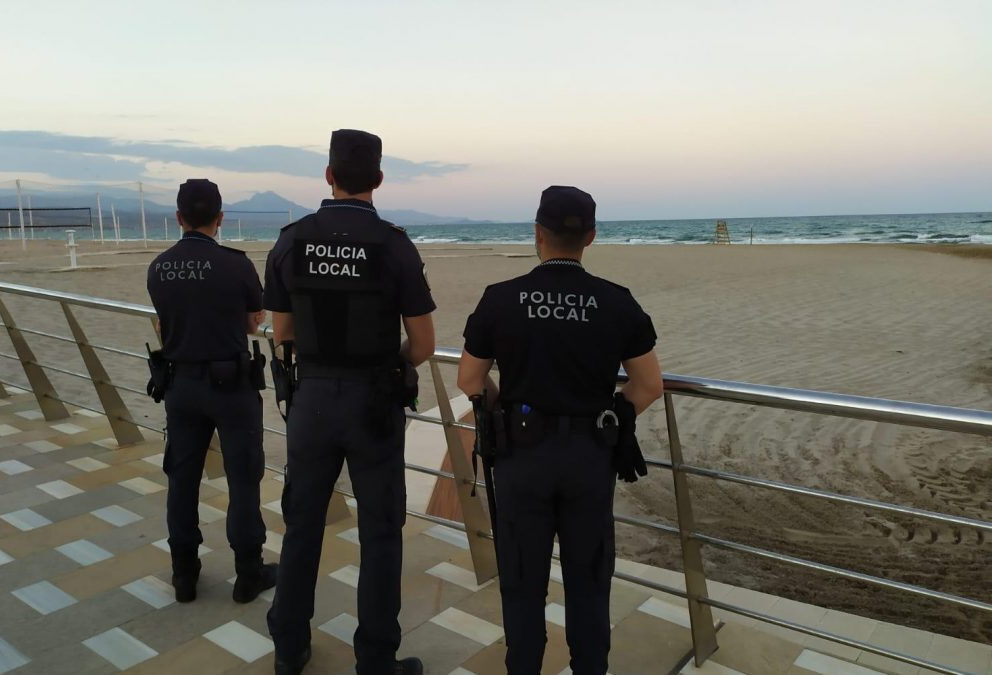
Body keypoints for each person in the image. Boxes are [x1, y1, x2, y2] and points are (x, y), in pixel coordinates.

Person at [457, 186, 663, 675]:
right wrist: (611, 414)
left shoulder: (501, 299)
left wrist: (500, 407)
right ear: (590, 237)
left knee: (522, 581)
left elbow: (468, 379)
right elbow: (648, 385)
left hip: (520, 455)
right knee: (589, 581)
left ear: (537, 233)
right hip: (589, 456)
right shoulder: (616, 302)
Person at [263, 129, 436, 675]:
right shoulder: (394, 244)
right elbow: (425, 345)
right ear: (379, 180)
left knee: (302, 526)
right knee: (380, 533)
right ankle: (376, 659)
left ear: (329, 176)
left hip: (311, 400)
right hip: (374, 404)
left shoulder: (291, 240)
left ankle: (289, 649)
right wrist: (391, 361)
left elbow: (282, 334)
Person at [146, 178, 277, 604]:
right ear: (220, 219)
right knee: (243, 478)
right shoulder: (236, 265)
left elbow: (163, 325)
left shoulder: (159, 267)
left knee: (181, 479)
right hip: (231, 385)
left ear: (179, 218)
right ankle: (247, 573)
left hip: (180, 385)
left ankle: (184, 574)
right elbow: (253, 323)